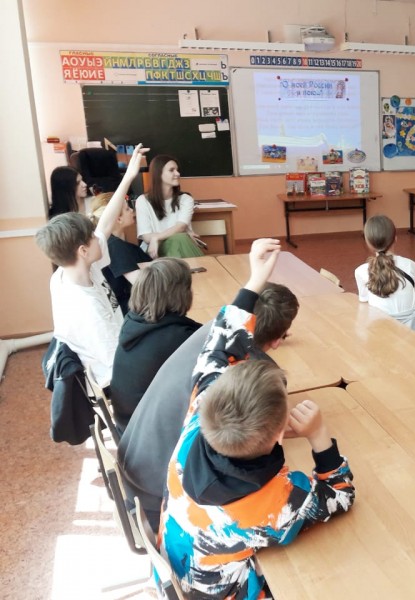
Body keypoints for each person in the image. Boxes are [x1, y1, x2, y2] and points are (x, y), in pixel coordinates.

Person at [160, 238, 355, 599]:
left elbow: (220, 342)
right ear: (280, 434)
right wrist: (318, 436)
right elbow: (340, 495)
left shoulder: (199, 415)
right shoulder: (276, 505)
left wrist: (255, 280)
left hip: (177, 573)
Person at [119, 279, 300, 532]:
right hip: (159, 494)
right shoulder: (254, 376)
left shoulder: (213, 335)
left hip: (133, 461)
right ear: (278, 339)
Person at [35, 145, 147, 388]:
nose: (100, 237)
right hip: (117, 383)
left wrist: (128, 177)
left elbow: (105, 224)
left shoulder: (70, 272)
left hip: (121, 358)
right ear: (83, 251)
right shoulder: (89, 310)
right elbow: (117, 369)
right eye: (92, 237)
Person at [110, 258, 201, 430]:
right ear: (182, 294)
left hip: (128, 425)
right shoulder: (177, 337)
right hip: (149, 435)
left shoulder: (132, 322)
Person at [354, 215, 415, 333]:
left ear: (368, 243)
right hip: (412, 333)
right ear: (395, 238)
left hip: (379, 334)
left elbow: (365, 305)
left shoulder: (361, 271)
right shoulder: (410, 265)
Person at [89, 193, 152, 315]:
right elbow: (141, 284)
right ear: (118, 219)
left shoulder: (116, 244)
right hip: (132, 312)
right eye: (127, 209)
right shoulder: (114, 246)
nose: (132, 210)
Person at [134, 154, 204, 259]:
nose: (177, 173)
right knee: (180, 238)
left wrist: (156, 237)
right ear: (158, 174)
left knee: (179, 239)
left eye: (177, 170)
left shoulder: (186, 199)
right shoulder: (142, 201)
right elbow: (146, 237)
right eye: (171, 170)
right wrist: (157, 239)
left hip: (180, 244)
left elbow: (181, 226)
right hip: (156, 249)